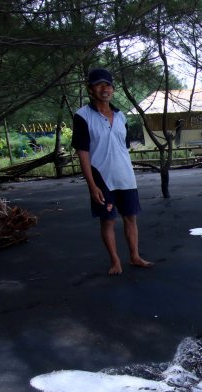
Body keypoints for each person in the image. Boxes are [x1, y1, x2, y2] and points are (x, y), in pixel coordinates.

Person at [72, 68, 153, 275]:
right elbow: (83, 152)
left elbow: (123, 147)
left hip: (125, 177)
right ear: (90, 89)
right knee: (108, 220)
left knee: (130, 218)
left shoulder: (121, 116)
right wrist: (92, 186)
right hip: (102, 178)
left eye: (107, 85)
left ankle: (134, 256)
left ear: (113, 89)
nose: (104, 89)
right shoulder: (82, 116)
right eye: (99, 85)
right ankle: (115, 261)